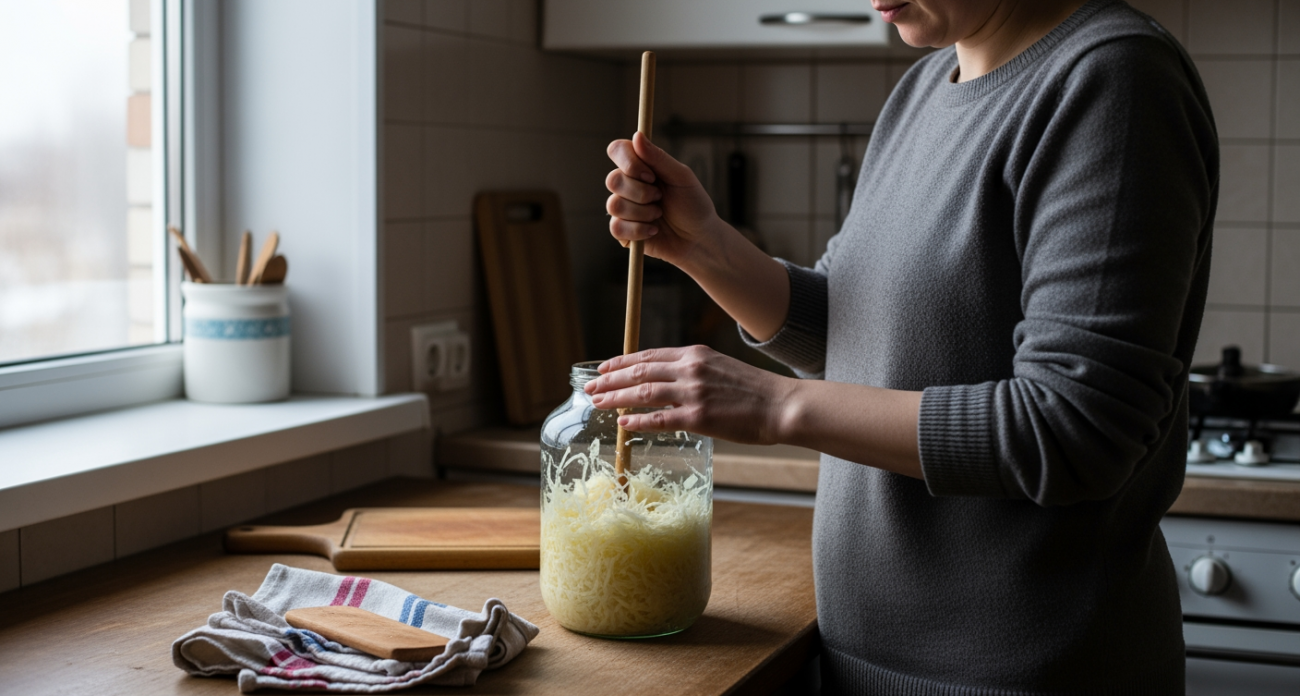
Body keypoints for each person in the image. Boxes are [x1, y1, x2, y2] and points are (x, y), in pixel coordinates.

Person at [587, 0, 1218, 693]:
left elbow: (1074, 431)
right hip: (862, 662)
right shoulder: (921, 89)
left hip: (1018, 677)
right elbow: (858, 334)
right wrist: (707, 246)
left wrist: (777, 407)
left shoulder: (1112, 80)